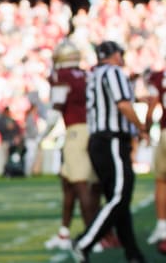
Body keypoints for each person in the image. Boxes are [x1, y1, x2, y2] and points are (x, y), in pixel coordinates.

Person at [72, 41, 148, 263]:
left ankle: (133, 254)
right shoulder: (113, 72)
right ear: (115, 55)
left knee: (119, 201)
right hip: (112, 141)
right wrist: (141, 128)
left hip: (99, 141)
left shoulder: (94, 74)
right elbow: (123, 105)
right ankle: (84, 241)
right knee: (119, 196)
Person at [42, 40, 99, 251]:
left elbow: (57, 108)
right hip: (91, 130)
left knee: (81, 183)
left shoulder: (62, 77)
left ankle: (93, 236)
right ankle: (64, 233)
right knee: (68, 184)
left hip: (76, 131)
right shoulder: (85, 75)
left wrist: (42, 136)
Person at [144, 67, 166, 246]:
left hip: (165, 134)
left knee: (161, 181)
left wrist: (145, 128)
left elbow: (152, 106)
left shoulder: (159, 76)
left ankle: (162, 226)